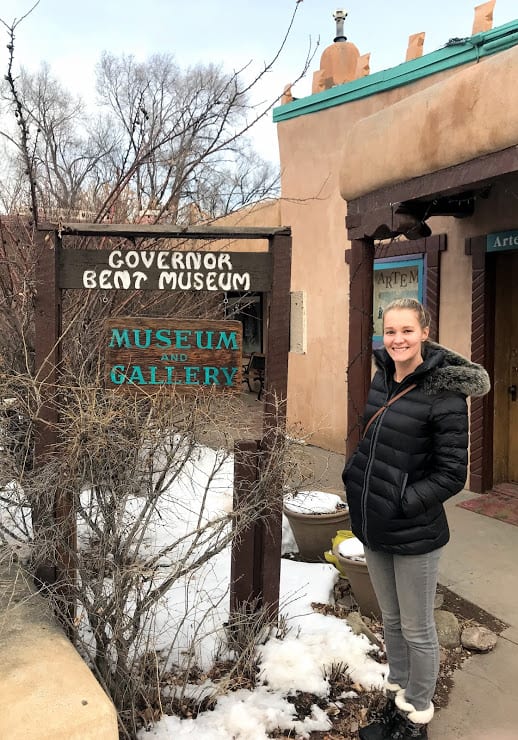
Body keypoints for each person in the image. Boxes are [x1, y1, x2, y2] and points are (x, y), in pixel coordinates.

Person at [342, 298, 490, 740]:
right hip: (374, 524)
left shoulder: (444, 395)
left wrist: (403, 502)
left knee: (418, 628)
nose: (397, 340)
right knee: (390, 620)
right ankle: (398, 698)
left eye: (407, 331)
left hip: (415, 530)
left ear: (425, 332)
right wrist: (357, 482)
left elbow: (450, 475)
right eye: (390, 332)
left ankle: (416, 716)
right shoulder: (382, 377)